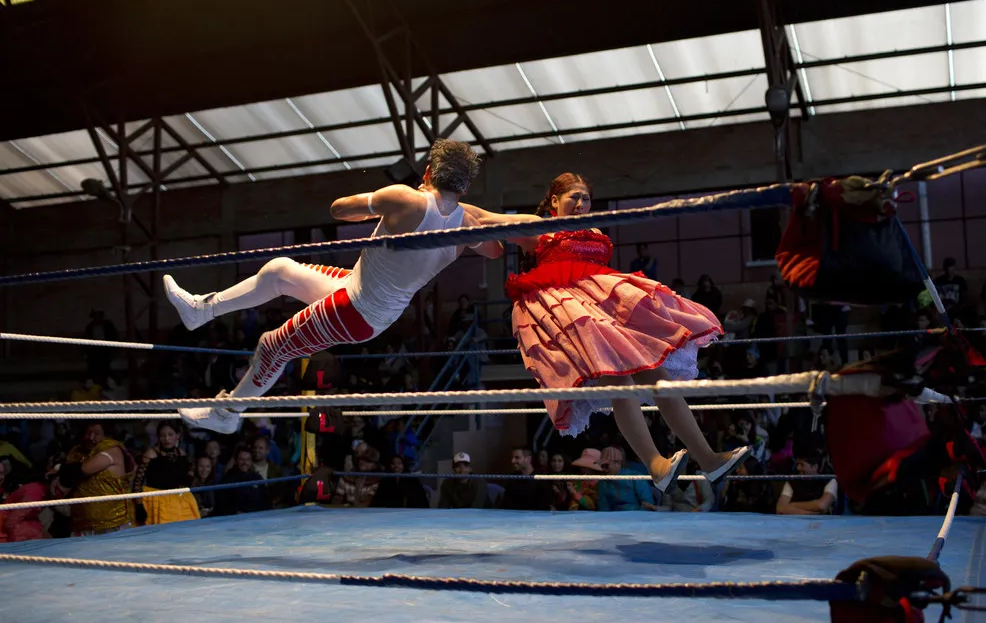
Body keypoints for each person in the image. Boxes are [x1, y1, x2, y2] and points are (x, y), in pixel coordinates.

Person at [162, 139, 504, 433]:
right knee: (278, 271)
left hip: (357, 309)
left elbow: (338, 209)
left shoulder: (404, 198)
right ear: (463, 188)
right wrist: (465, 213)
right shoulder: (467, 226)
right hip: (360, 291)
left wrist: (381, 207)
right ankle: (202, 309)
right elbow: (495, 250)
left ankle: (226, 414)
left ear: (428, 172)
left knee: (272, 346)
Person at [467, 173, 748, 495]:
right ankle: (655, 464)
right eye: (573, 196)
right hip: (573, 315)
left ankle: (708, 459)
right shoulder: (539, 227)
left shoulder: (596, 231)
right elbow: (484, 217)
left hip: (607, 309)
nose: (581, 203)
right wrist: (442, 200)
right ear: (555, 201)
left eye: (585, 198)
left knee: (659, 378)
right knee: (619, 381)